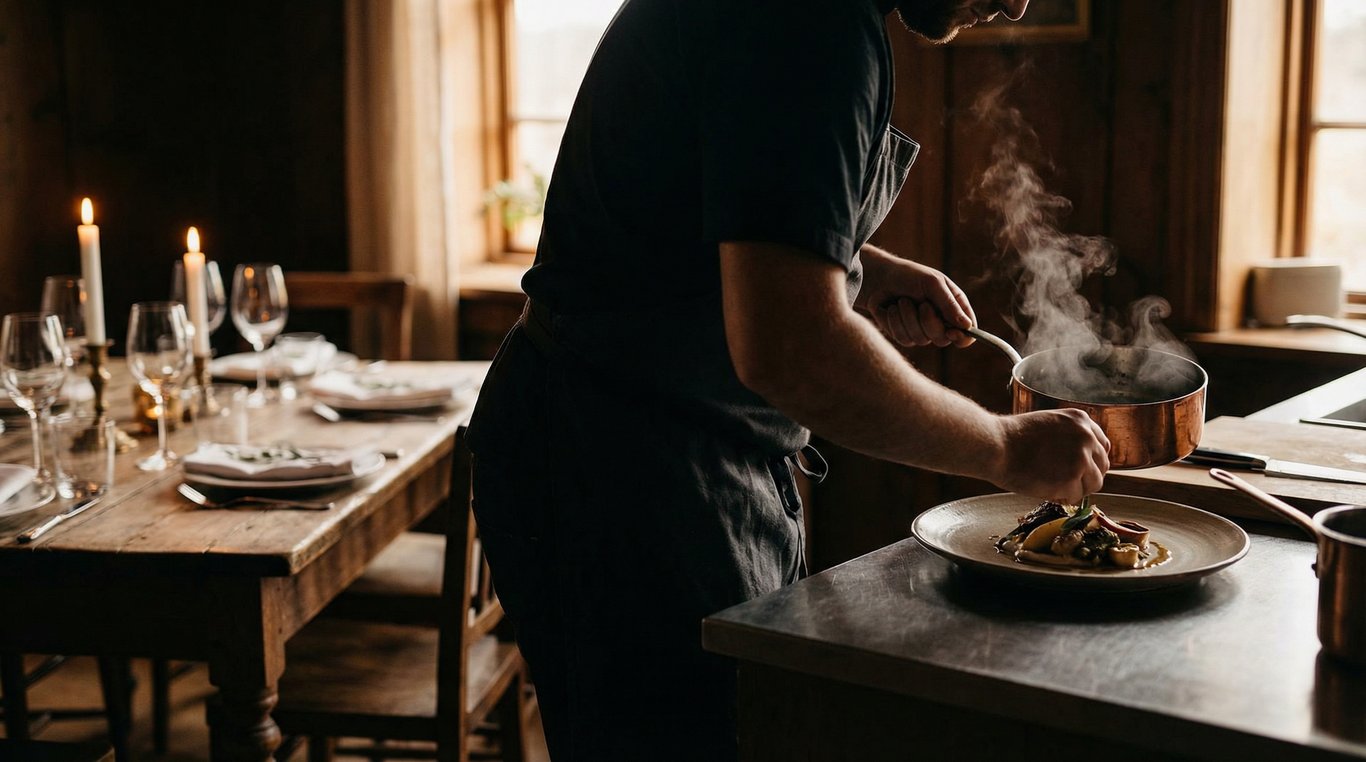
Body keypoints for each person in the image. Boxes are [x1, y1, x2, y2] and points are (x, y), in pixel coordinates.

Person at [467, 0, 1109, 758]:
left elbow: (709, 200)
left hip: (643, 444)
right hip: (627, 469)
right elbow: (794, 349)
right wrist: (1006, 448)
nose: (1017, 5)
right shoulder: (814, 25)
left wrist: (854, 267)